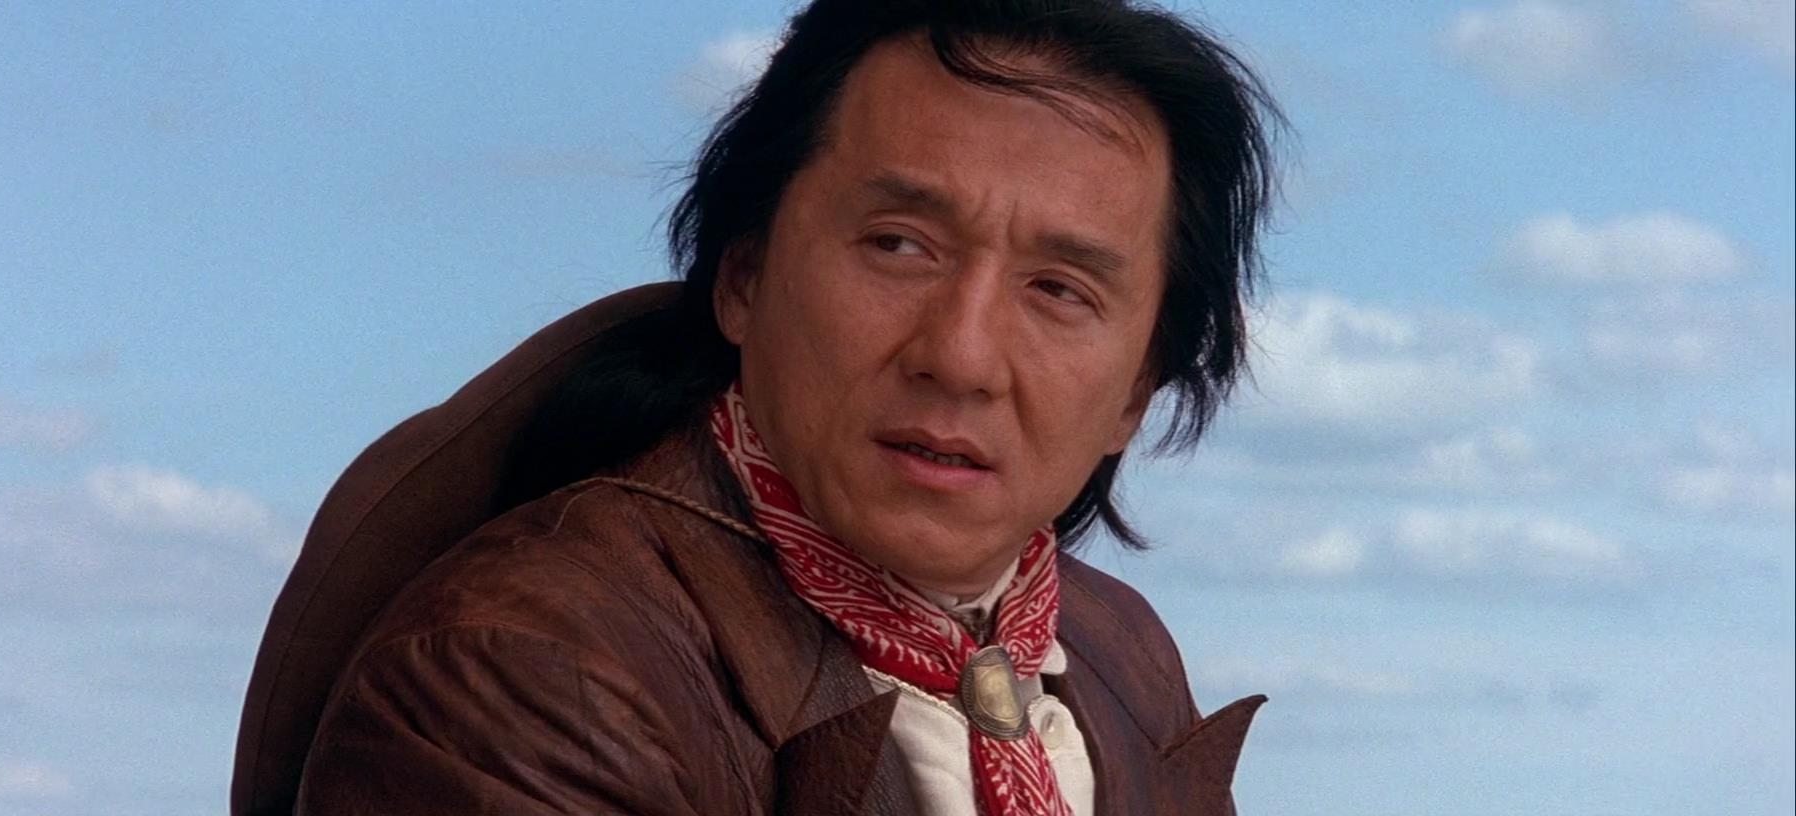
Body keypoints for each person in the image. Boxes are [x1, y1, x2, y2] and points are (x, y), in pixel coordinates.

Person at [232, 1, 1281, 813]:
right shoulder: (526, 673)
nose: (961, 356)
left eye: (1059, 290)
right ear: (743, 276)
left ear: (1135, 395)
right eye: (898, 245)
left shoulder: (1111, 648)